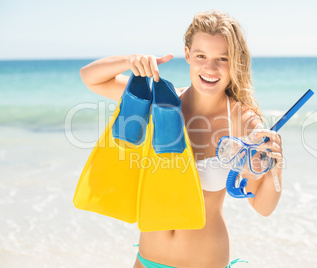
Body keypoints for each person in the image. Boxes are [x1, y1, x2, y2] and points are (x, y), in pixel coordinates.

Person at [80, 10, 283, 268]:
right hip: (146, 260)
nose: (210, 68)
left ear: (235, 62)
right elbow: (90, 78)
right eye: (201, 56)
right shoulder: (162, 103)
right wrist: (132, 61)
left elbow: (262, 206)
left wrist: (277, 165)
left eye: (223, 58)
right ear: (187, 54)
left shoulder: (244, 123)